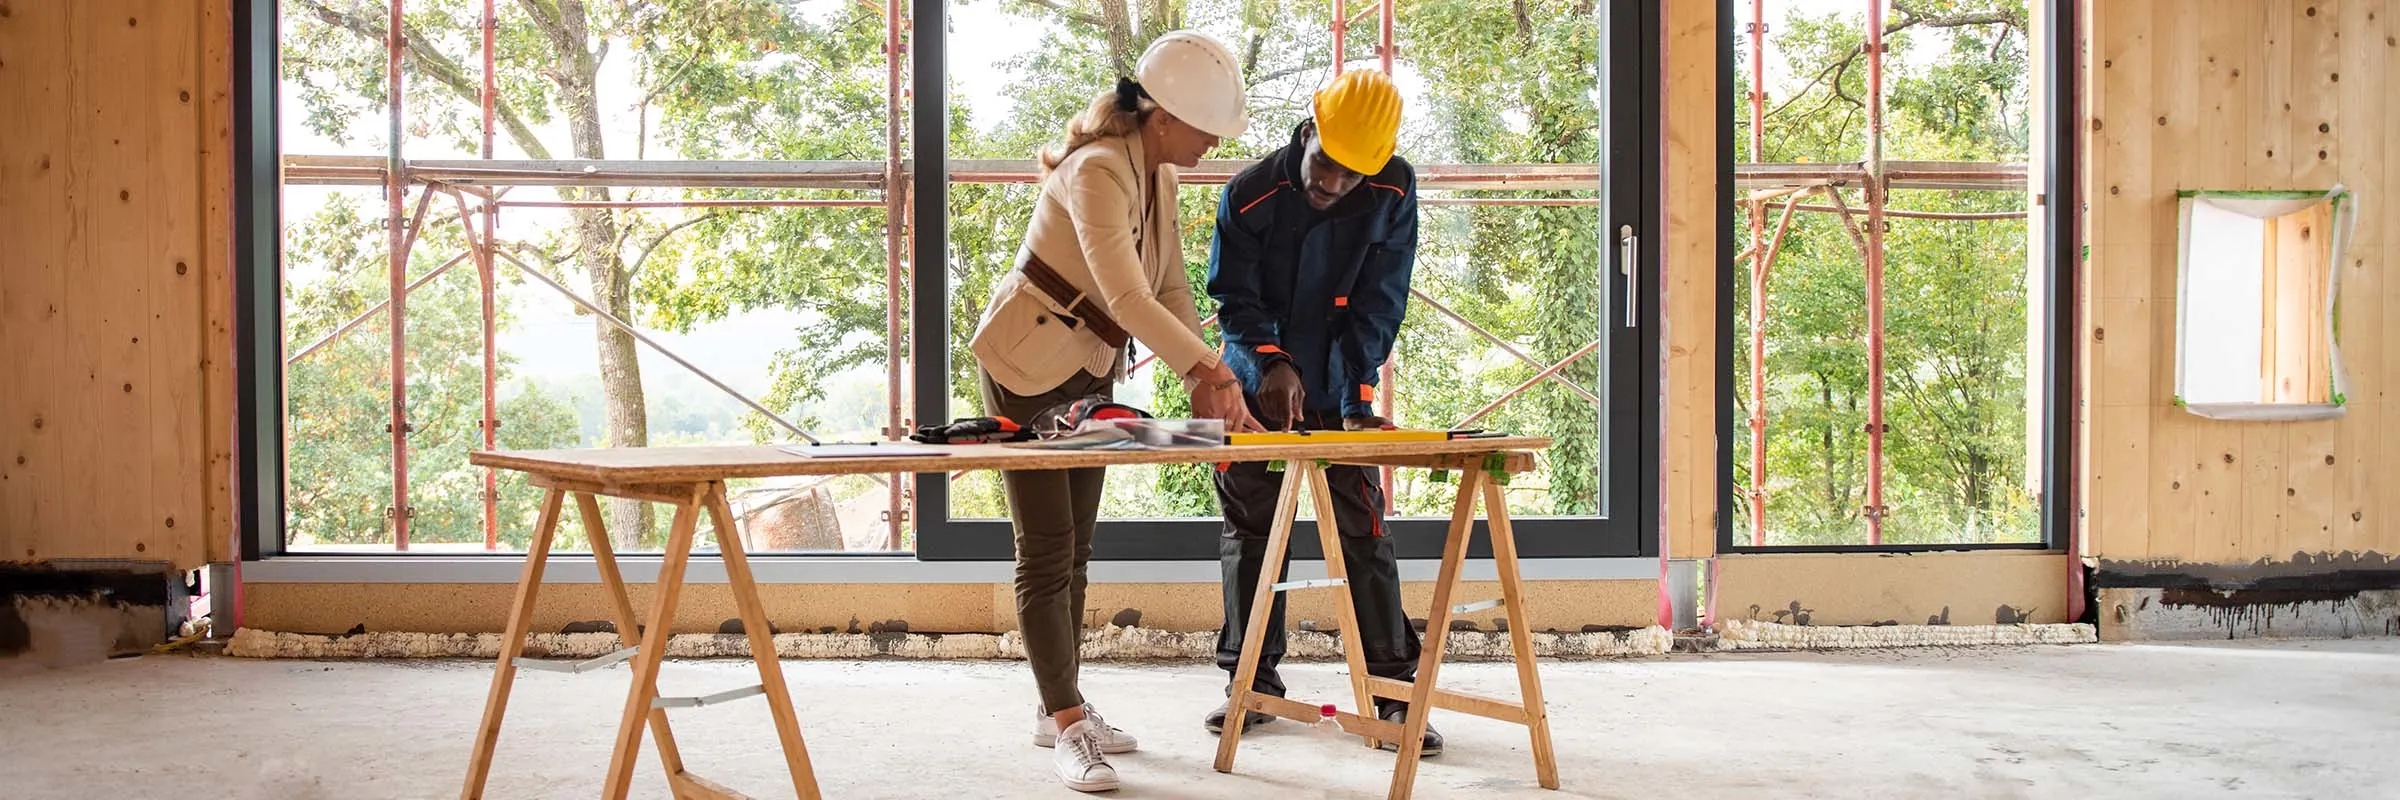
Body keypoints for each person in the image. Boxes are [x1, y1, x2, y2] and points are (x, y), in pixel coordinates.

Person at [966, 29, 1264, 793]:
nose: (1212, 145)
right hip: (1027, 366)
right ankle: (1068, 727)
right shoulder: (1098, 170)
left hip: (1086, 372)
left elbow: (1166, 291)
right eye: (1206, 130)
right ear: (1164, 116)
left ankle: (1055, 706)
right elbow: (1127, 297)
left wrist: (1213, 379)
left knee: (1077, 547)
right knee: (1045, 546)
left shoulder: (1156, 172)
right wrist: (1211, 374)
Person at [1199, 67, 1441, 756]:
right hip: (1254, 386)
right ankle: (1251, 685)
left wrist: (1357, 393)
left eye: (1351, 177)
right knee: (1252, 533)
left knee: (1362, 530)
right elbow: (1234, 297)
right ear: (1309, 132)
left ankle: (1395, 696)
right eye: (1327, 165)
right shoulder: (1248, 196)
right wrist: (1272, 362)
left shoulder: (1393, 188)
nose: (1334, 185)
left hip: (1339, 383)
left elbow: (1381, 299)